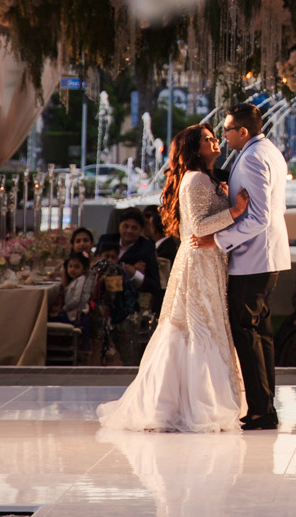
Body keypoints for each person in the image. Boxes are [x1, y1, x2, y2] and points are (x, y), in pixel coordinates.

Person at [95, 124, 250, 432]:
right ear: (195, 148)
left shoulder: (207, 178)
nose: (215, 141)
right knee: (195, 327)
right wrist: (234, 212)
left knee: (206, 326)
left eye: (213, 137)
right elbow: (197, 228)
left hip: (212, 261)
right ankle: (187, 403)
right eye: (207, 139)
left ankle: (206, 398)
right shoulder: (193, 181)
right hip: (198, 263)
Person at [204, 102, 290, 430]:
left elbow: (260, 217)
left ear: (242, 131)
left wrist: (220, 241)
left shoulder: (253, 156)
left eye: (226, 130)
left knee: (247, 332)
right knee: (261, 334)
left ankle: (260, 410)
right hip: (266, 257)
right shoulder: (267, 151)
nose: (223, 136)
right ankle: (264, 406)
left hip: (253, 259)